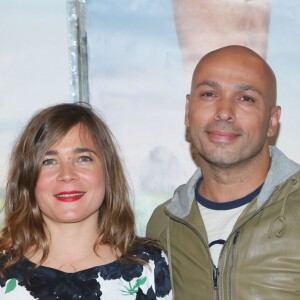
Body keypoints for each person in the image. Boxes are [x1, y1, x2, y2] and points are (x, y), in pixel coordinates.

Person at [147, 45, 300, 299]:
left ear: (272, 121)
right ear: (188, 111)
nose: (224, 112)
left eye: (246, 98)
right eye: (209, 94)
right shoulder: (163, 225)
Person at [0, 103, 172, 299]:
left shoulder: (148, 265)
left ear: (107, 171)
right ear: (27, 179)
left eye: (83, 158)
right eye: (49, 161)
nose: (67, 174)